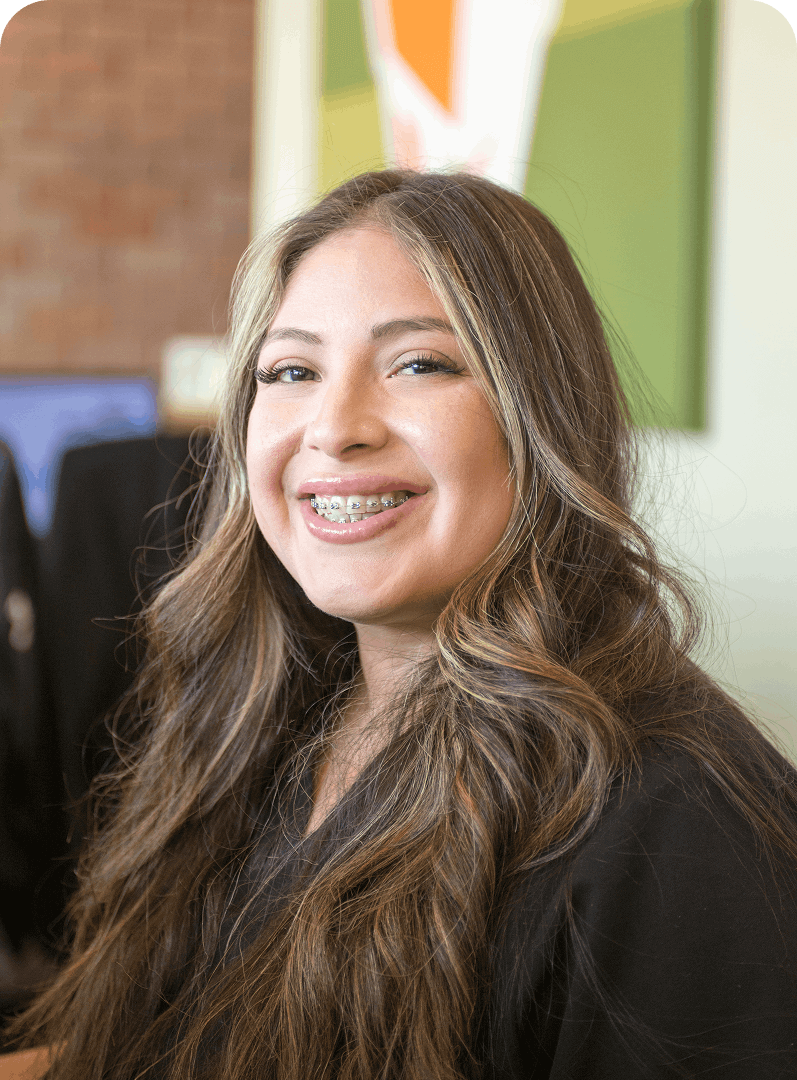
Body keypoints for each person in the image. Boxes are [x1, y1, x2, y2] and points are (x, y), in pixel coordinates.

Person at [3, 169, 797, 1078]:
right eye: (292, 370)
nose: (333, 428)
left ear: (540, 413)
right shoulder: (273, 717)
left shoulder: (675, 826)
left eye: (419, 363)